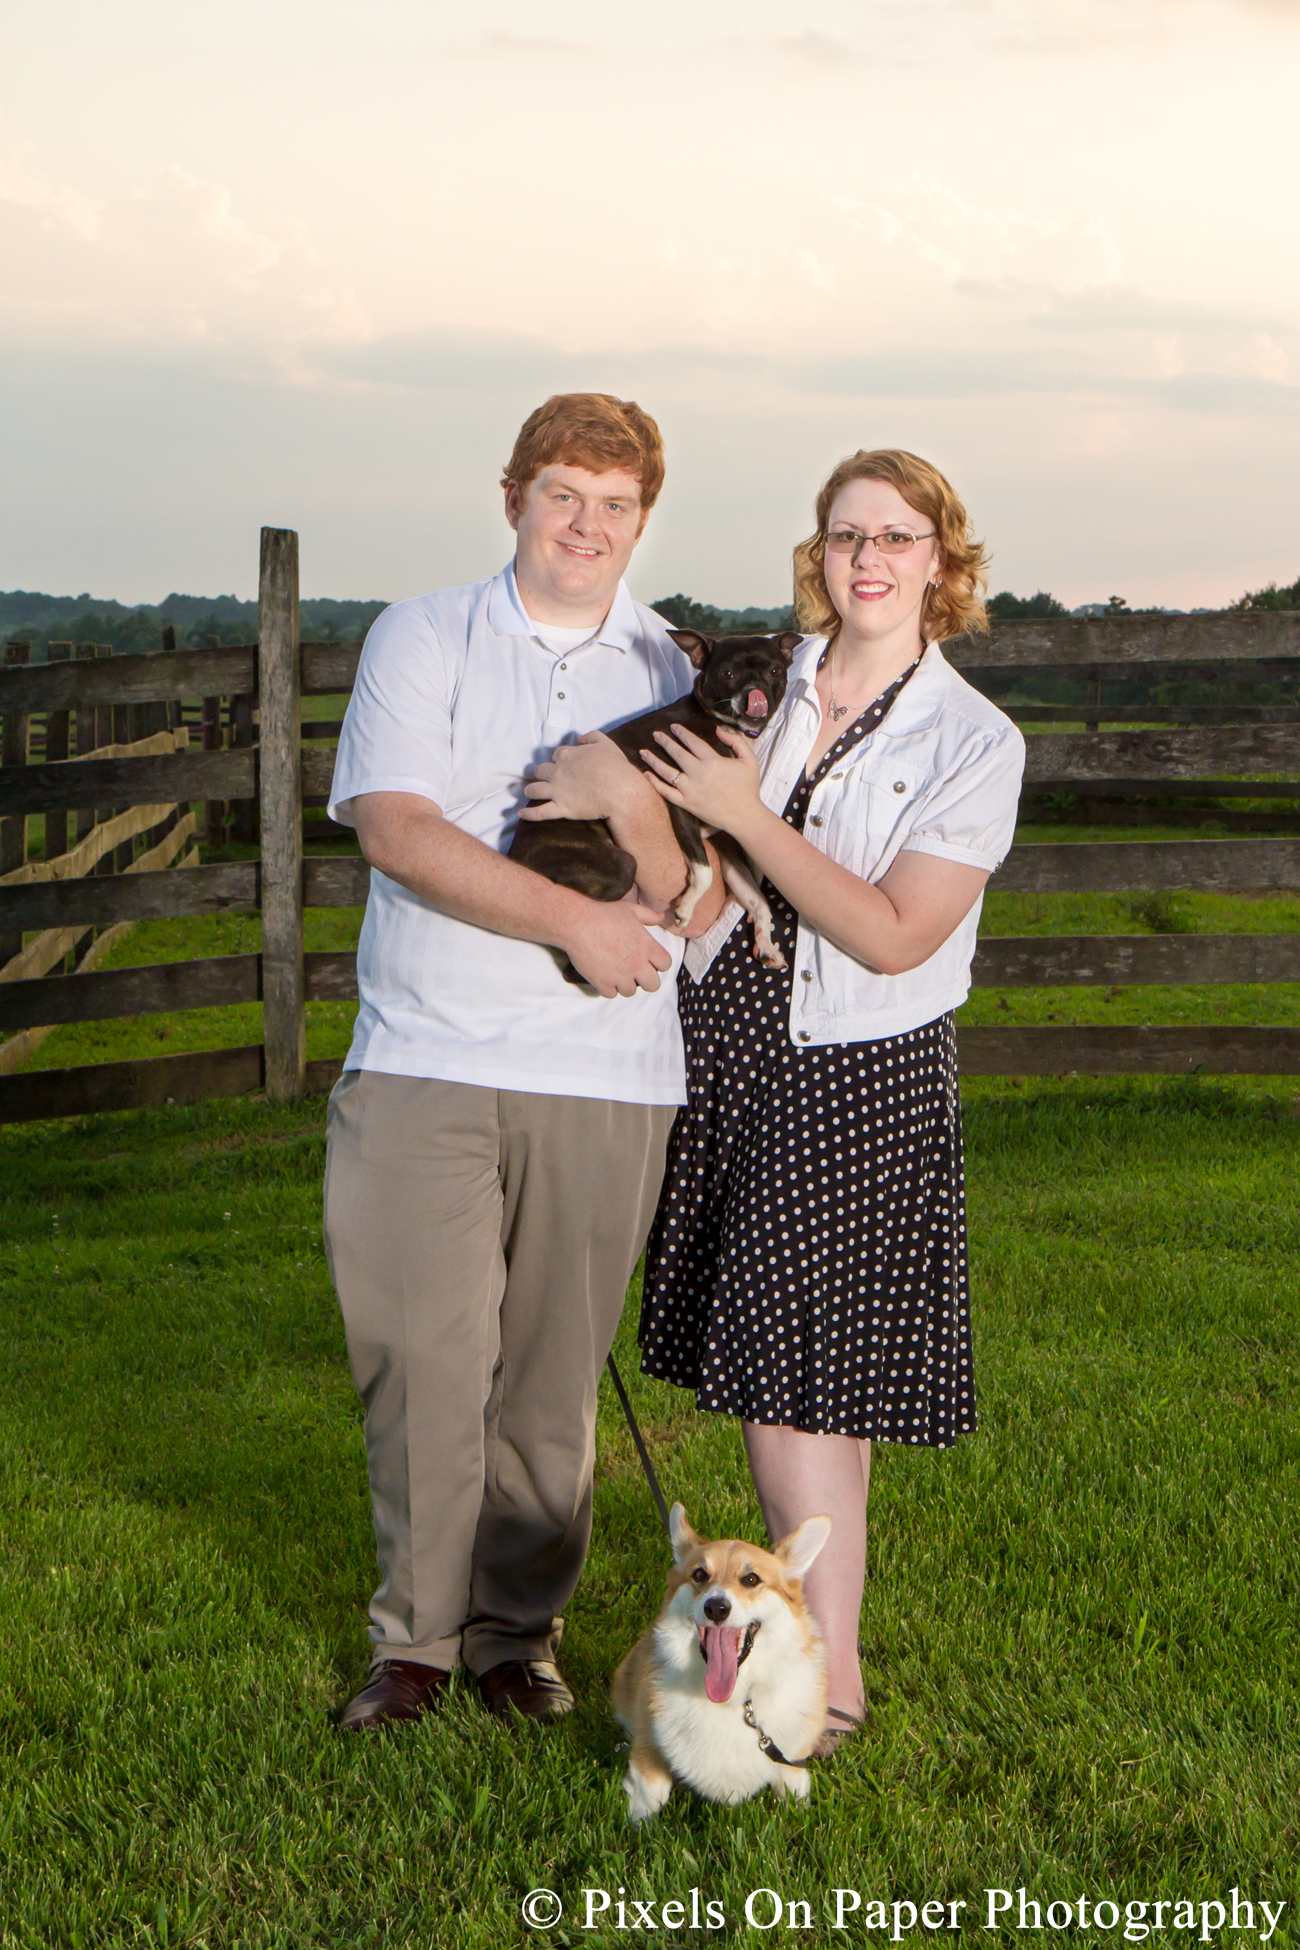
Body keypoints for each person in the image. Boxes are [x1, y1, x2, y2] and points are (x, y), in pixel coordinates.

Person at [634, 448, 1025, 1750]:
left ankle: (825, 1682)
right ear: (821, 551)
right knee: (814, 1385)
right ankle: (828, 1668)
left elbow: (898, 929)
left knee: (798, 1380)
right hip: (733, 1037)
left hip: (853, 1067)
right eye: (848, 533)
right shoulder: (774, 679)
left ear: (942, 563)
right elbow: (695, 847)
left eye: (899, 537)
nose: (870, 557)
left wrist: (745, 809)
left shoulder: (974, 737)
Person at [323, 393, 696, 1733]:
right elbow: (393, 825)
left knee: (551, 1373)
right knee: (420, 1354)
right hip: (424, 1048)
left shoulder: (675, 668)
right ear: (515, 497)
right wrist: (575, 919)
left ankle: (514, 1635)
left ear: (642, 519)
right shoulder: (422, 634)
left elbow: (702, 892)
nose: (586, 524)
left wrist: (645, 826)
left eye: (615, 504)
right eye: (564, 495)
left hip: (607, 1071)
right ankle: (414, 1641)